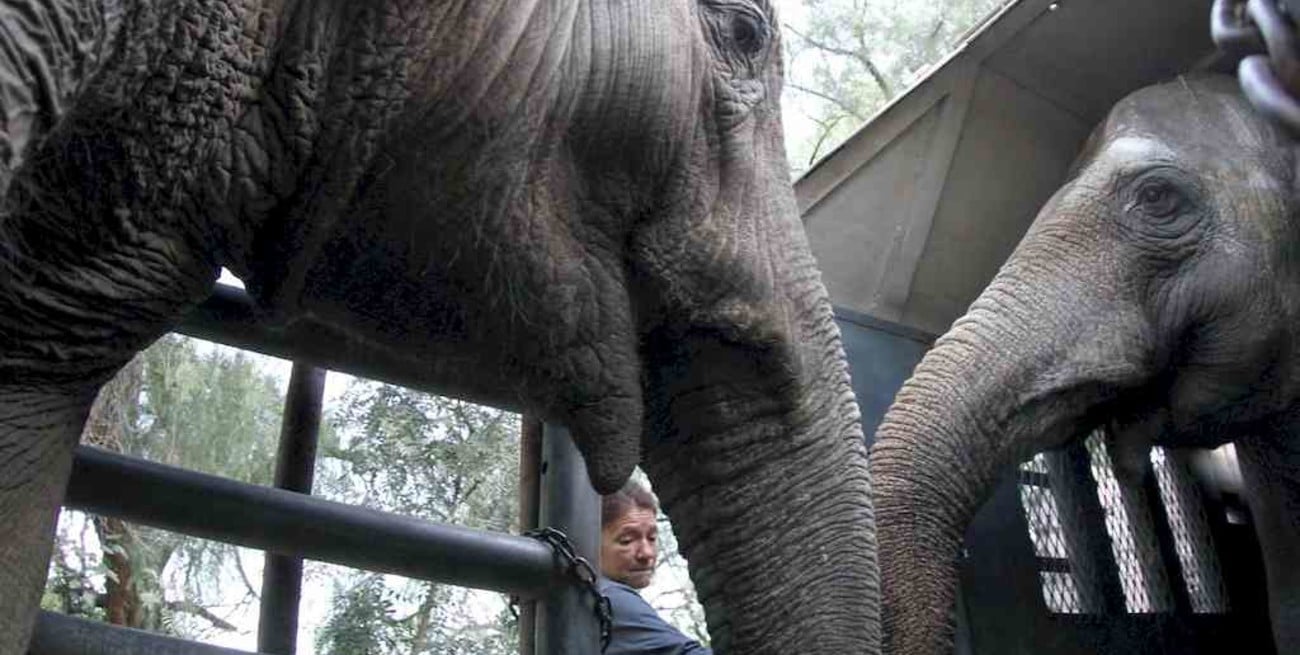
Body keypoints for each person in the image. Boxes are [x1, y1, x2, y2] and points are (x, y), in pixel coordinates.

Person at [599, 480, 712, 655]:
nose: (646, 553)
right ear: (590, 540)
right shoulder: (609, 598)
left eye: (652, 538)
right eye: (626, 541)